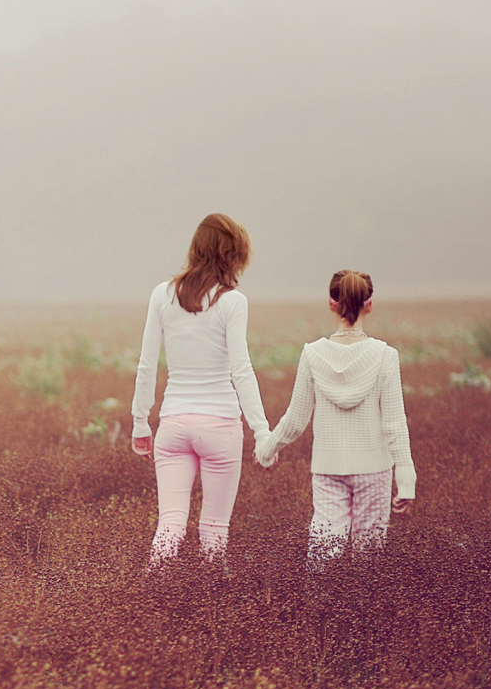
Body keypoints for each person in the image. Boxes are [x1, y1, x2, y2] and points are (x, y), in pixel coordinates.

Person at [131, 214, 270, 564]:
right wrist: (261, 430)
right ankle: (213, 607)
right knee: (214, 528)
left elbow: (147, 363)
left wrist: (139, 422)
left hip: (173, 426)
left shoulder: (162, 295)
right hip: (219, 425)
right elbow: (242, 369)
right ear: (234, 254)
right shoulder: (233, 302)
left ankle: (151, 600)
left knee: (170, 524)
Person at [254, 270, 415, 566]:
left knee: (323, 553)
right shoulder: (385, 356)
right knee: (369, 559)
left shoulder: (313, 354)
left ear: (332, 304)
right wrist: (406, 481)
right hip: (374, 469)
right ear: (369, 304)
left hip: (327, 468)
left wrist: (267, 449)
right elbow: (395, 423)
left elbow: (296, 419)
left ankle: (318, 609)